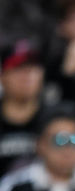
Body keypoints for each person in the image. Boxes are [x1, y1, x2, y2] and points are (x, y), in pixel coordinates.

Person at [0, 39, 47, 179]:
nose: (28, 76)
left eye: (34, 68)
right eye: (18, 68)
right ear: (2, 75)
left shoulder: (55, 119)